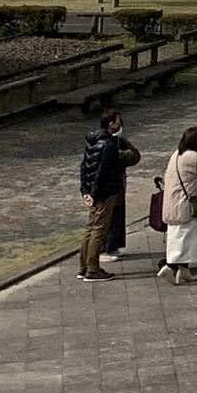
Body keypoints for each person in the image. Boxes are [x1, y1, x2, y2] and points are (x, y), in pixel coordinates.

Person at [77, 106, 139, 281]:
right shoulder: (109, 145)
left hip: (92, 191)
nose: (120, 124)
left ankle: (84, 267)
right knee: (98, 230)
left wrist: (85, 191)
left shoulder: (91, 141)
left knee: (90, 229)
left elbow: (84, 167)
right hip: (105, 193)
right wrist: (95, 193)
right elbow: (103, 171)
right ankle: (92, 269)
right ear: (111, 124)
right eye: (118, 121)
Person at [157, 125, 197, 284]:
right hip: (186, 206)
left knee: (179, 239)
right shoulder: (191, 157)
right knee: (185, 239)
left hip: (175, 205)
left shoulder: (177, 154)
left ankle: (183, 271)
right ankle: (170, 268)